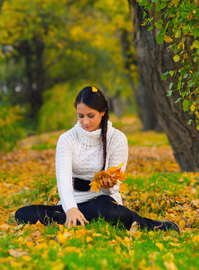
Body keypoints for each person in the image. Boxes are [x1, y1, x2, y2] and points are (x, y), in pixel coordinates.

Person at [15, 86, 180, 234]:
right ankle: (76, 218)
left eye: (90, 115)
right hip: (74, 201)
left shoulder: (117, 138)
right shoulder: (67, 139)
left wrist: (109, 186)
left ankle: (151, 225)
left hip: (102, 201)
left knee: (107, 211)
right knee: (22, 214)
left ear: (102, 112)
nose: (85, 122)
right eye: (81, 116)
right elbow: (63, 179)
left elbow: (114, 187)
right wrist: (71, 208)